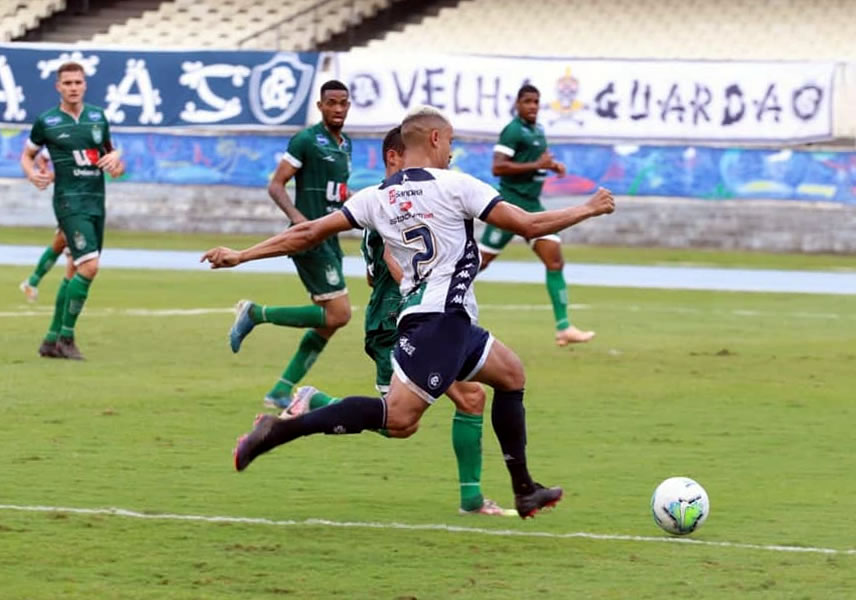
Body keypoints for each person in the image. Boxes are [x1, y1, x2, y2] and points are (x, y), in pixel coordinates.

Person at [202, 105, 615, 518]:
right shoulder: (457, 186)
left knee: (511, 374)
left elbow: (308, 232)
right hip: (440, 320)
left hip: (437, 317)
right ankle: (279, 430)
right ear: (434, 139)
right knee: (398, 420)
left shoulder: (377, 197)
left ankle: (525, 489)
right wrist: (588, 208)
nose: (451, 151)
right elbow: (527, 225)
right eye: (450, 141)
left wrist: (242, 255)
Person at [282, 126, 515, 517]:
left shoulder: (381, 199)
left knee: (454, 405)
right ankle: (315, 402)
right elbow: (390, 263)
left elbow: (376, 272)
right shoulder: (395, 202)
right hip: (399, 321)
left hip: (413, 315)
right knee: (402, 421)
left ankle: (472, 500)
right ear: (396, 156)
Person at [228, 80, 354, 409]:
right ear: (321, 106)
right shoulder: (306, 140)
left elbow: (337, 192)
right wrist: (298, 219)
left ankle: (281, 390)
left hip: (331, 236)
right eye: (332, 103)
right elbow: (276, 185)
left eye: (343, 103)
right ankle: (255, 313)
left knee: (327, 323)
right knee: (339, 314)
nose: (338, 109)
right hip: (310, 237)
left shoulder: (345, 145)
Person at [20, 61, 124, 359]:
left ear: (85, 85)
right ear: (58, 87)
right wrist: (32, 173)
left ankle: (50, 340)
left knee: (73, 270)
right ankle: (66, 338)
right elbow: (28, 156)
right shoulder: (47, 122)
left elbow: (111, 159)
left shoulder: (97, 117)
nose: (73, 87)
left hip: (95, 201)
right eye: (67, 83)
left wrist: (116, 160)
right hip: (69, 201)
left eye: (78, 82)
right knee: (90, 267)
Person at [479, 84, 593, 347]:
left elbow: (534, 161)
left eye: (536, 102)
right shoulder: (513, 131)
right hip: (509, 207)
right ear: (518, 104)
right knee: (478, 263)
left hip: (533, 206)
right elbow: (498, 167)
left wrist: (551, 165)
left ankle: (564, 327)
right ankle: (432, 298)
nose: (532, 106)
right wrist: (537, 165)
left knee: (554, 261)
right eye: (528, 101)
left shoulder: (538, 130)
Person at [18, 152, 65, 303]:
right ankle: (64, 318)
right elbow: (41, 157)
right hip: (67, 197)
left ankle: (32, 281)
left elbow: (118, 166)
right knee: (72, 249)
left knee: (62, 241)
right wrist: (47, 173)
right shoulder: (63, 136)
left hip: (89, 198)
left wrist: (117, 166)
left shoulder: (95, 139)